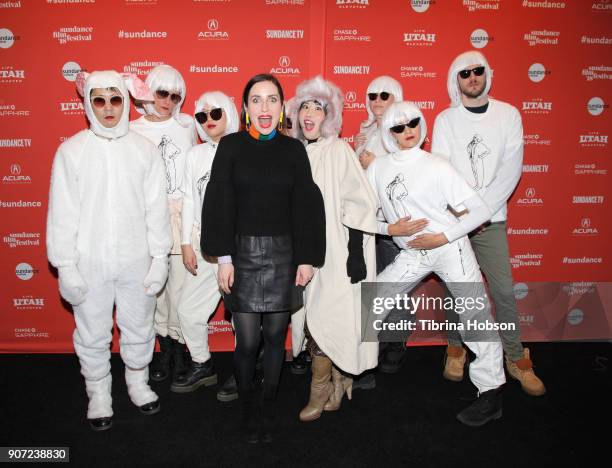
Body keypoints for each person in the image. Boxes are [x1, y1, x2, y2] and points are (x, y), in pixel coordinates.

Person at [201, 73, 325, 443]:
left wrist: (307, 259)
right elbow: (219, 204)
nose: (264, 107)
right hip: (242, 257)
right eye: (256, 100)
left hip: (284, 257)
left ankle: (268, 406)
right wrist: (224, 258)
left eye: (272, 99)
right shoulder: (231, 147)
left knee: (275, 338)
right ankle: (247, 407)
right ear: (245, 108)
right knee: (247, 342)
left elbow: (306, 206)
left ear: (282, 107)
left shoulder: (294, 150)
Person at [367, 101, 506, 427]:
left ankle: (492, 391)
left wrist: (442, 237)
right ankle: (356, 369)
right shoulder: (378, 168)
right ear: (389, 132)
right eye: (398, 127)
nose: (407, 131)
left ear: (421, 124)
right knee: (371, 298)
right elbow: (362, 216)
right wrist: (389, 229)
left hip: (450, 248)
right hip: (413, 251)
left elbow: (480, 210)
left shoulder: (437, 166)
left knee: (474, 314)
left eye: (412, 123)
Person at [46, 70, 171, 431]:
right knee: (92, 332)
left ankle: (137, 382)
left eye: (115, 99)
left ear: (125, 101)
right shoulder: (71, 152)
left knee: (139, 326)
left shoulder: (145, 151)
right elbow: (62, 213)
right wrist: (66, 266)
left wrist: (160, 258)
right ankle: (98, 392)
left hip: (137, 260)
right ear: (88, 103)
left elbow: (156, 208)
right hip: (90, 263)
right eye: (98, 100)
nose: (108, 108)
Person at [432, 51, 546, 396]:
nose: (471, 77)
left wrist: (479, 214)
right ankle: (456, 348)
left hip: (491, 222)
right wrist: (462, 216)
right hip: (456, 221)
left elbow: (509, 174)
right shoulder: (446, 120)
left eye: (477, 70)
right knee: (458, 291)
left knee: (502, 291)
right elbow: (441, 171)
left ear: (487, 74)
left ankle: (515, 356)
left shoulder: (508, 115)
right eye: (464, 73)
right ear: (457, 80)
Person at [287, 76, 378, 422]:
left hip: (337, 254)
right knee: (311, 316)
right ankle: (339, 382)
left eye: (317, 107)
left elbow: (360, 202)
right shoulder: (294, 152)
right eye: (304, 107)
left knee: (329, 318)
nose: (309, 113)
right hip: (304, 254)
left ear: (330, 117)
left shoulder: (339, 150)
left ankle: (321, 388)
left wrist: (355, 253)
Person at [130, 65, 197, 385]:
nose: (168, 101)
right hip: (149, 217)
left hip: (183, 218)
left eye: (175, 95)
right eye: (161, 93)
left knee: (182, 289)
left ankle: (180, 348)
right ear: (149, 91)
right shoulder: (133, 129)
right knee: (155, 289)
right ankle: (164, 349)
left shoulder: (186, 127)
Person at [169, 91, 240, 393]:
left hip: (237, 249)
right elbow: (187, 197)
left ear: (230, 114)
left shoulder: (244, 150)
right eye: (202, 116)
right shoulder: (193, 155)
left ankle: (246, 370)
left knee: (243, 316)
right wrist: (186, 243)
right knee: (187, 310)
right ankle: (202, 363)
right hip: (204, 245)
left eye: (215, 113)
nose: (208, 120)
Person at [355, 76, 415, 379]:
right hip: (369, 223)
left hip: (395, 222)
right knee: (373, 286)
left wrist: (373, 161)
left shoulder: (402, 129)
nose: (377, 101)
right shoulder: (364, 131)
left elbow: (408, 170)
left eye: (384, 95)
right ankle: (375, 344)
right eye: (372, 96)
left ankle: (396, 344)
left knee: (397, 287)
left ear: (397, 98)